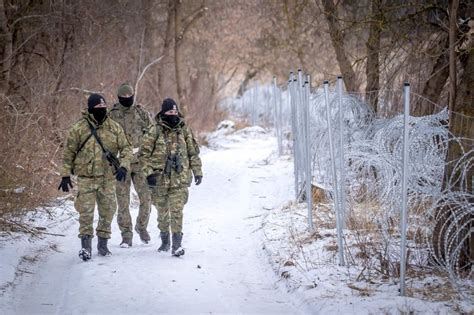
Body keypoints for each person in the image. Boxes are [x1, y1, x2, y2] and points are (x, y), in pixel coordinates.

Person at [58, 93, 132, 261]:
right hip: (86, 178)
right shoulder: (78, 128)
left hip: (107, 179)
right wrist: (65, 175)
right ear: (90, 109)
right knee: (86, 212)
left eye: (103, 108)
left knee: (108, 211)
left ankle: (103, 244)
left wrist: (124, 165)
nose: (101, 110)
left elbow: (127, 148)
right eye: (98, 108)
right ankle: (86, 247)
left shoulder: (114, 127)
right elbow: (68, 153)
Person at [139, 98, 202, 257]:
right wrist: (148, 174)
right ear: (163, 113)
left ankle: (177, 245)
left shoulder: (184, 129)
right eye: (170, 112)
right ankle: (165, 240)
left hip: (180, 180)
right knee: (162, 213)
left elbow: (193, 153)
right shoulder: (155, 131)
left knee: (177, 211)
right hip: (159, 180)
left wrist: (197, 171)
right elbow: (143, 155)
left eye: (175, 112)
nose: (173, 114)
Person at [108, 83, 153, 247]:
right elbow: (106, 137)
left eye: (130, 97)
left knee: (146, 197)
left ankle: (142, 228)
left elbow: (152, 133)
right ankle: (126, 235)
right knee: (122, 200)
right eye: (124, 98)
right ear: (119, 98)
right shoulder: (112, 115)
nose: (127, 100)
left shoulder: (141, 112)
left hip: (140, 162)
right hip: (121, 164)